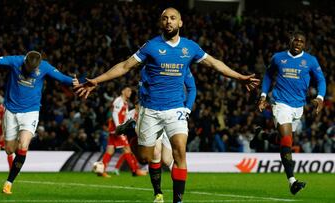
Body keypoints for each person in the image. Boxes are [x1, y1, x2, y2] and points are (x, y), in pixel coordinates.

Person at [75, 7, 259, 203]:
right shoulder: (151, 47)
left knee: (179, 152)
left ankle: (177, 200)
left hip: (176, 108)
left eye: (173, 18)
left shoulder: (190, 47)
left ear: (180, 23)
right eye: (165, 19)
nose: (169, 22)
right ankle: (131, 132)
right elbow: (125, 66)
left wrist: (239, 77)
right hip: (150, 109)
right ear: (160, 23)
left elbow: (214, 63)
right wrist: (97, 80)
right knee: (145, 159)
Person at [0, 50, 78, 194]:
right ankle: (18, 146)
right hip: (11, 110)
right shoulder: (16, 60)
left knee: (24, 145)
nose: (31, 71)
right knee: (9, 149)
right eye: (29, 68)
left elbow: (62, 78)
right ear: (25, 62)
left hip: (31, 111)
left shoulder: (45, 66)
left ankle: (9, 182)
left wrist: (77, 82)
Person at [254, 31, 326, 195]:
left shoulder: (310, 60)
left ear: (304, 44)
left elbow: (321, 80)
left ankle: (262, 135)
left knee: (281, 139)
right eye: (296, 40)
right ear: (290, 41)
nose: (298, 43)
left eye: (301, 41)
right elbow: (267, 76)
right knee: (287, 140)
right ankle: (292, 181)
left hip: (298, 106)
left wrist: (320, 98)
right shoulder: (278, 58)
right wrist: (263, 96)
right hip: (280, 103)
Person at [116, 66, 196, 203]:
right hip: (155, 113)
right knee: (152, 155)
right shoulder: (150, 65)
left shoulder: (183, 63)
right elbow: (142, 86)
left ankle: (177, 199)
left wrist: (187, 109)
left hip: (175, 115)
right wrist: (143, 107)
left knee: (167, 158)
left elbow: (192, 88)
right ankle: (158, 193)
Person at [97, 86, 146, 178]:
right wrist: (118, 126)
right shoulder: (118, 100)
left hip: (115, 129)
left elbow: (124, 116)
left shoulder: (125, 103)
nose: (130, 92)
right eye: (128, 90)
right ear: (123, 91)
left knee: (110, 150)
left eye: (130, 91)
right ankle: (135, 170)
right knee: (127, 149)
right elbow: (115, 113)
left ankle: (101, 170)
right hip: (117, 129)